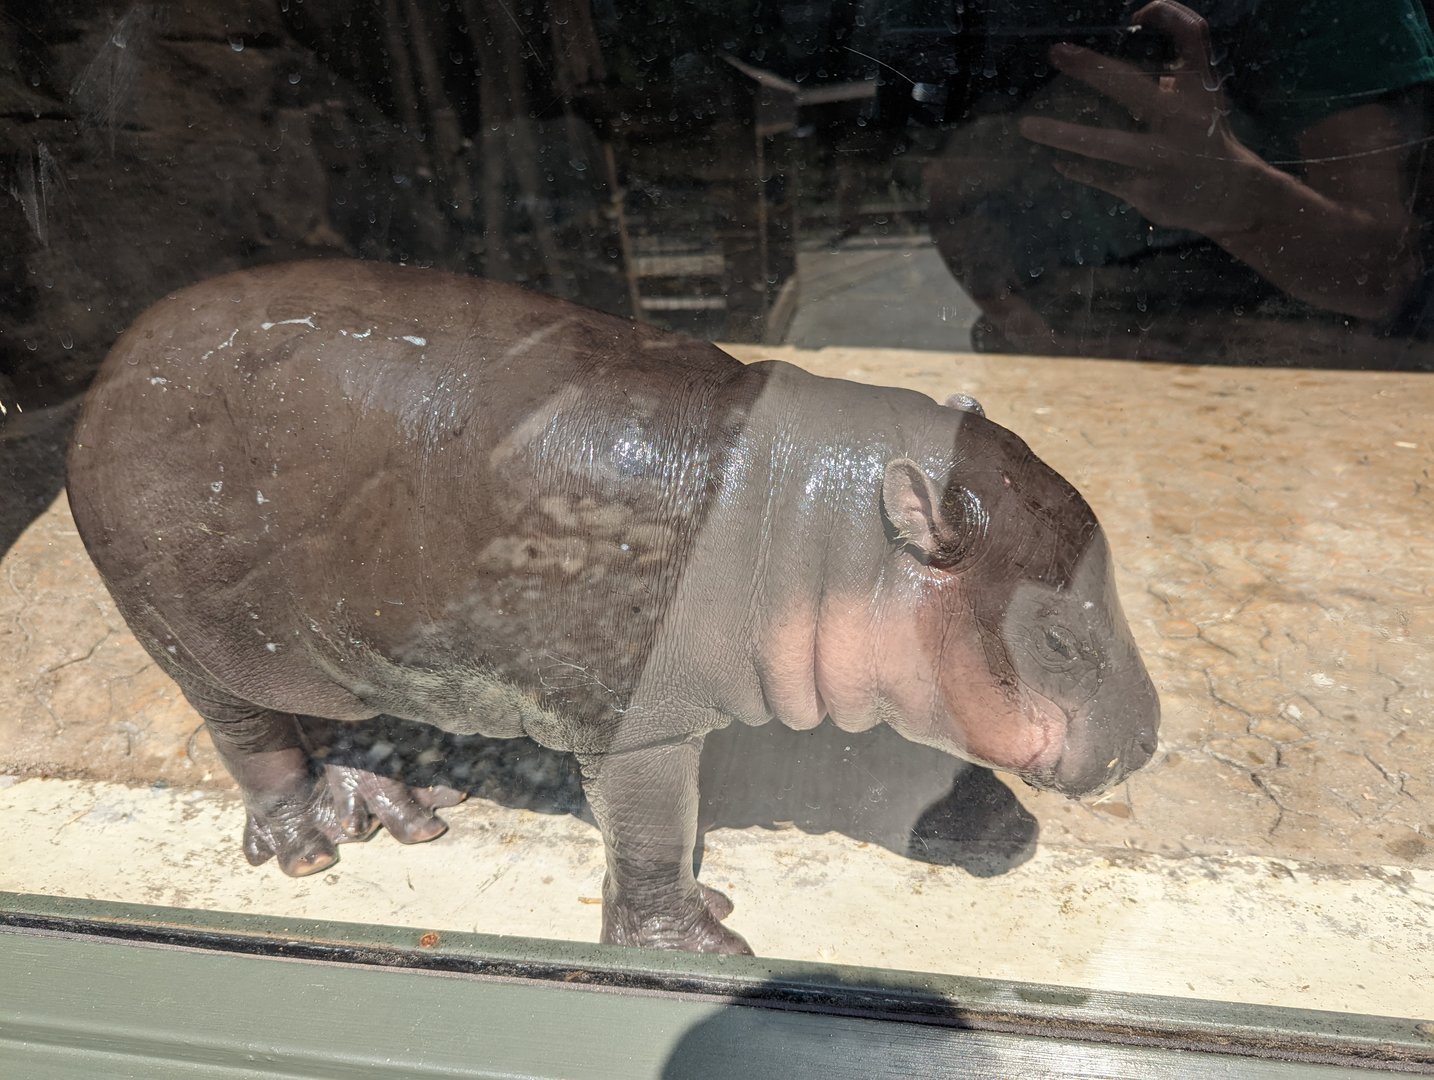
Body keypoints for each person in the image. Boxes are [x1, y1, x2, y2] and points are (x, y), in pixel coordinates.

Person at [926, 0, 1434, 363]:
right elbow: (943, 188)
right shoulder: (958, 20)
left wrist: (1240, 200)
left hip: (1296, 379)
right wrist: (1037, 335)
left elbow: (1385, 277)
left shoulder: (1323, 16)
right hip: (1048, 372)